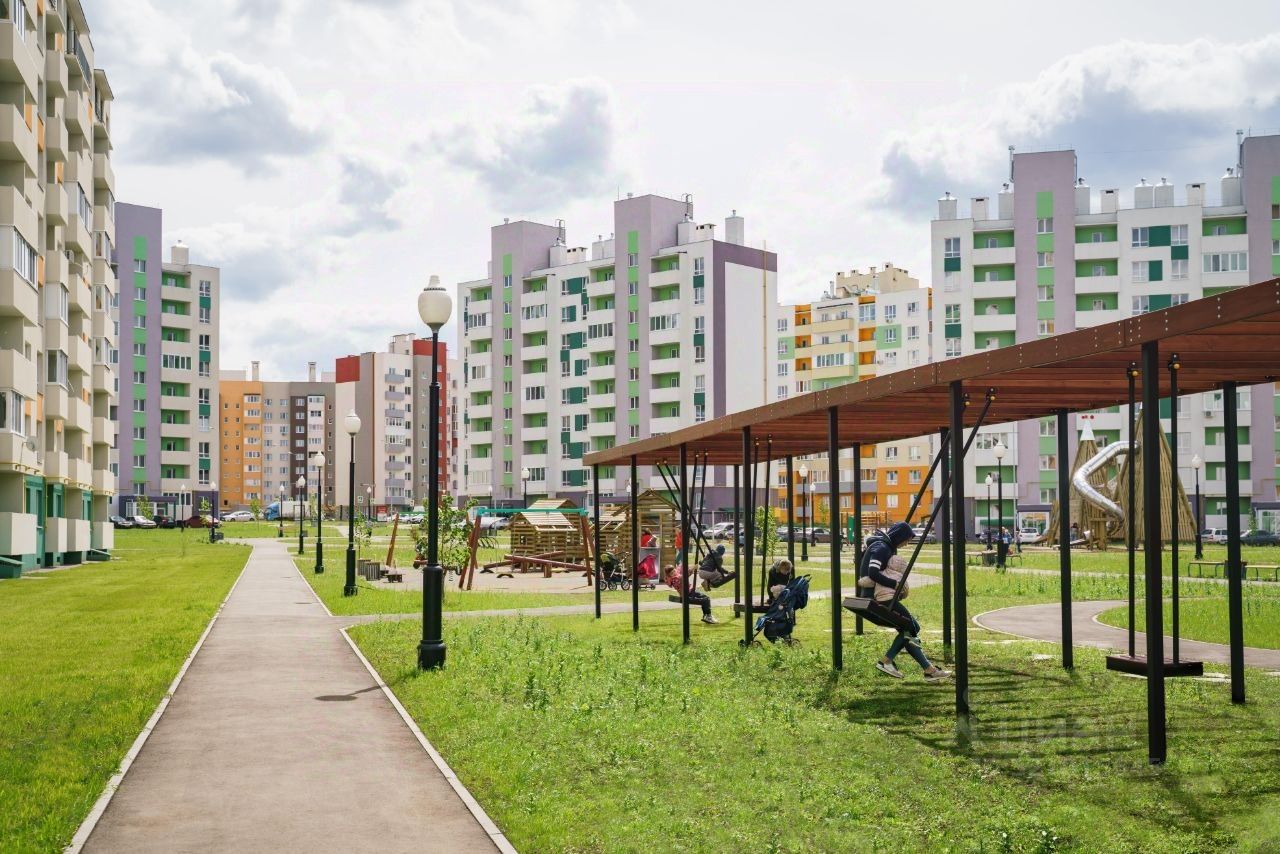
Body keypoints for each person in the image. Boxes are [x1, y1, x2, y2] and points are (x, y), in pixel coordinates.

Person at [858, 521, 950, 682]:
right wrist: (895, 585)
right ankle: (887, 661)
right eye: (906, 540)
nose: (906, 544)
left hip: (877, 597)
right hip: (877, 599)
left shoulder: (883, 546)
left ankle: (929, 670)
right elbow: (872, 573)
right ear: (899, 536)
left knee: (911, 628)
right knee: (910, 627)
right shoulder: (882, 548)